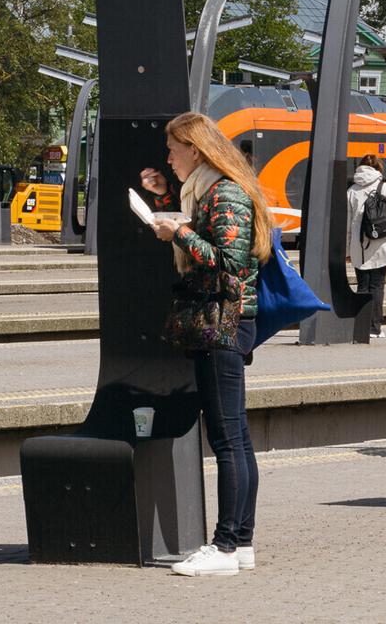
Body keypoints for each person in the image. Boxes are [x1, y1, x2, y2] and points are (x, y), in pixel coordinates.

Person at [141, 111, 275, 577]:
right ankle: (241, 543)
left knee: (227, 439)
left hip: (225, 320)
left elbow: (229, 262)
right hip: (222, 321)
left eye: (173, 150)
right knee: (235, 437)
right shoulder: (210, 190)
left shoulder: (226, 192)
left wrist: (176, 231)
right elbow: (213, 233)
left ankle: (223, 547)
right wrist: (165, 198)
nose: (169, 157)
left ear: (195, 149)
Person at [347, 153, 386, 340]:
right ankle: (375, 327)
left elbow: (347, 224)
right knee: (377, 286)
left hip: (359, 247)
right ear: (378, 169)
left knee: (362, 287)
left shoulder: (352, 190)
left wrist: (348, 250)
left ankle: (361, 326)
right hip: (382, 246)